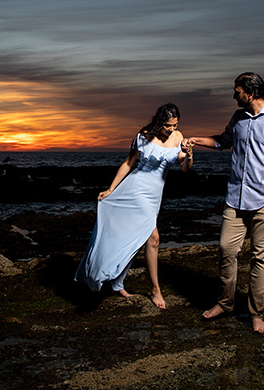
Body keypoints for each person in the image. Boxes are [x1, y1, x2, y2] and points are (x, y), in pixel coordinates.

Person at [188, 73, 264, 333]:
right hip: (235, 199)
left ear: (250, 93)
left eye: (237, 91)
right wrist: (195, 140)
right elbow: (223, 141)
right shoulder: (238, 118)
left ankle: (256, 314)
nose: (234, 95)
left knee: (260, 257)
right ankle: (225, 303)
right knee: (226, 250)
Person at [75, 103, 194, 309]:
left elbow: (184, 167)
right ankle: (155, 290)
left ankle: (117, 282)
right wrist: (111, 189)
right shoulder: (144, 136)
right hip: (135, 190)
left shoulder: (178, 137)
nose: (172, 129)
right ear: (159, 122)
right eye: (168, 125)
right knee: (153, 238)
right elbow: (129, 163)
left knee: (137, 238)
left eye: (175, 125)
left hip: (154, 195)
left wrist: (189, 154)